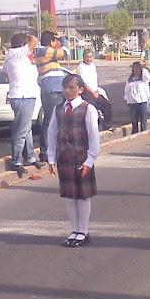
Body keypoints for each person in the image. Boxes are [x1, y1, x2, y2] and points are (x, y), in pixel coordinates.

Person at [47, 73, 100, 247]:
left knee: (83, 196)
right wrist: (51, 158)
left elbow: (93, 136)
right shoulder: (59, 109)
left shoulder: (87, 108)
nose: (67, 91)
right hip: (64, 156)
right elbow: (52, 133)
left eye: (71, 87)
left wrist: (89, 160)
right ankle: (74, 229)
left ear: (80, 89)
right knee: (70, 196)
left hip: (81, 156)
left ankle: (83, 231)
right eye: (65, 87)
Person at [2, 32, 45, 175]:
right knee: (21, 129)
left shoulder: (15, 57)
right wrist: (28, 36)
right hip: (22, 96)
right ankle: (16, 161)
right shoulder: (16, 53)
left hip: (26, 95)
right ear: (22, 45)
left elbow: (7, 75)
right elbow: (34, 40)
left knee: (27, 129)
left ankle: (30, 157)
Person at [34, 31, 69, 162]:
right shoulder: (44, 51)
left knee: (56, 121)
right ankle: (45, 153)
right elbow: (65, 52)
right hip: (51, 91)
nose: (57, 43)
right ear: (51, 42)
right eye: (55, 41)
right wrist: (62, 38)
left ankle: (52, 151)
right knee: (49, 122)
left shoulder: (47, 54)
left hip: (55, 90)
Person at [77, 49, 113, 131]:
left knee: (107, 105)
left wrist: (96, 90)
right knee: (92, 110)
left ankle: (107, 126)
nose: (88, 59)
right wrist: (93, 93)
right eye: (87, 57)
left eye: (90, 57)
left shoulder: (92, 66)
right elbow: (84, 83)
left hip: (95, 92)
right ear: (83, 57)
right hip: (87, 93)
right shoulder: (81, 67)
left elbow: (95, 79)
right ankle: (93, 129)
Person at [124, 61, 150, 134]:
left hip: (142, 102)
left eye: (138, 68)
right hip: (133, 103)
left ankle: (142, 133)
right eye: (134, 68)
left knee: (143, 120)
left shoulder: (144, 78)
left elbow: (147, 76)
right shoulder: (130, 80)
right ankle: (134, 133)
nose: (136, 69)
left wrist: (143, 68)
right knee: (134, 120)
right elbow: (126, 90)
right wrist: (126, 99)